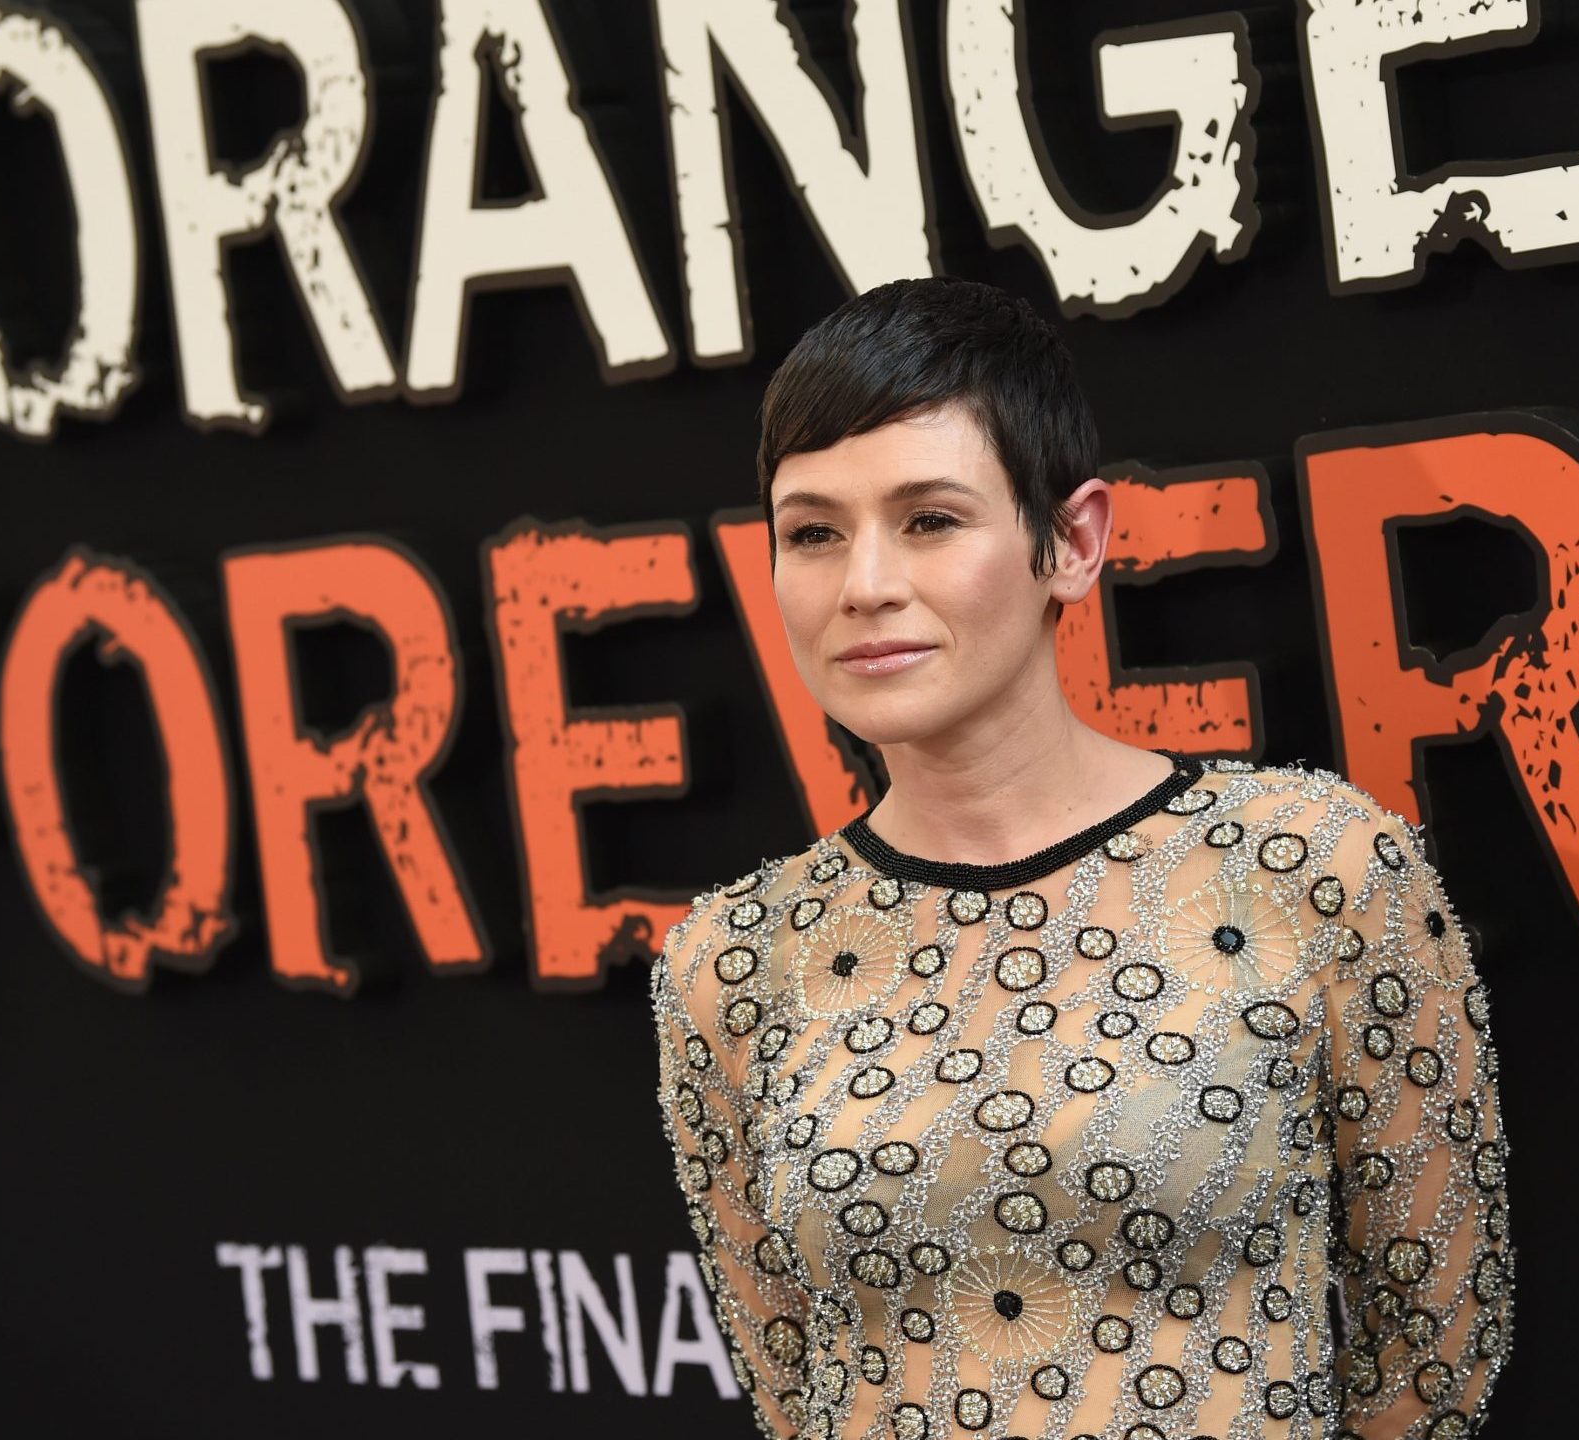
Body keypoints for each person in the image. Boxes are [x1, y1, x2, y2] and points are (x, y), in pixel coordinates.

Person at [648, 277, 1513, 1440]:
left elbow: (1438, 1335)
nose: (863, 586)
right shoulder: (734, 959)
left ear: (1071, 540)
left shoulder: (1309, 866)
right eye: (812, 532)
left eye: (930, 520)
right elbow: (792, 1381)